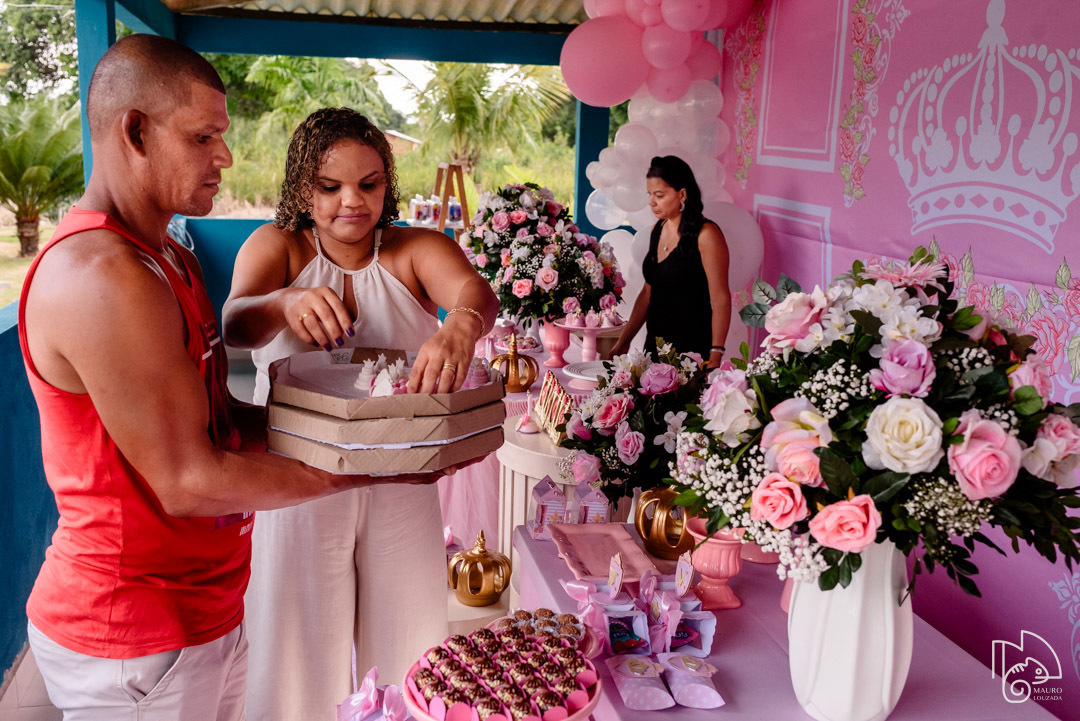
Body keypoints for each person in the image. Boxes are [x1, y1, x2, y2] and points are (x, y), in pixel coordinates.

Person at [17, 35, 466, 721]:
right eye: (204, 136)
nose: (225, 156)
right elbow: (190, 477)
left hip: (200, 614)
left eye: (221, 136)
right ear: (134, 131)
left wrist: (362, 430)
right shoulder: (103, 275)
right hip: (135, 630)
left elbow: (219, 418)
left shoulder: (165, 256)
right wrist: (367, 465)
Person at [221, 107, 499, 720]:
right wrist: (283, 303)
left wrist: (460, 329)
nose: (353, 201)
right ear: (302, 187)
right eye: (330, 186)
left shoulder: (413, 249)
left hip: (401, 480)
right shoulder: (278, 247)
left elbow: (475, 292)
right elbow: (234, 322)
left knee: (410, 644)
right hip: (298, 483)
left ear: (388, 184)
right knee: (294, 651)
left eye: (369, 184)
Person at [610, 155, 731, 366]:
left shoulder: (706, 235)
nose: (651, 202)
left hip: (691, 352)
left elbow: (720, 298)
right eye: (649, 194)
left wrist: (715, 355)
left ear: (682, 194)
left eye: (659, 195)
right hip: (654, 347)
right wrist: (623, 342)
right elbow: (649, 292)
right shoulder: (658, 228)